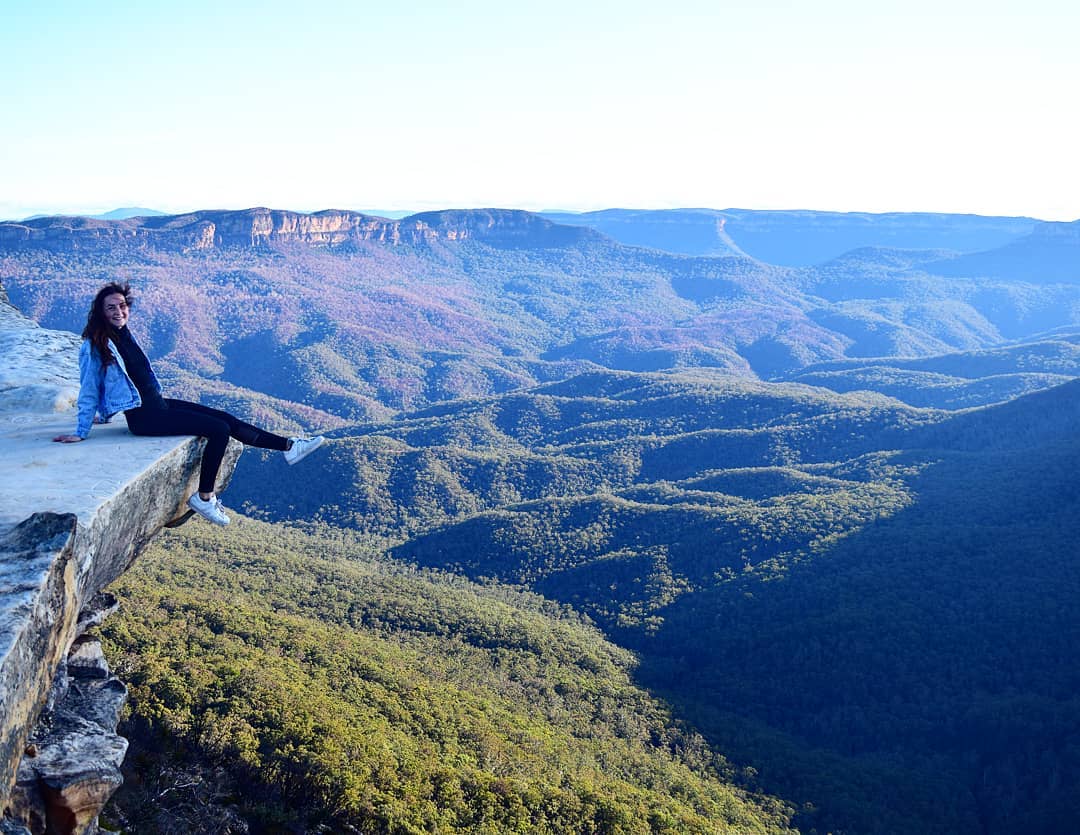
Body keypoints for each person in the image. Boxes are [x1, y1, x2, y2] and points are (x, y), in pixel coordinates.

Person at [53, 282, 325, 526]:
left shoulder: (122, 333)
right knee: (218, 430)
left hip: (157, 404)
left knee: (225, 418)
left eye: (122, 306)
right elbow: (89, 386)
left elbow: (126, 380)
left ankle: (289, 446)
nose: (118, 311)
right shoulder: (97, 344)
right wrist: (81, 430)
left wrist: (105, 413)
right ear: (101, 312)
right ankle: (205, 497)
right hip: (144, 417)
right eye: (111, 307)